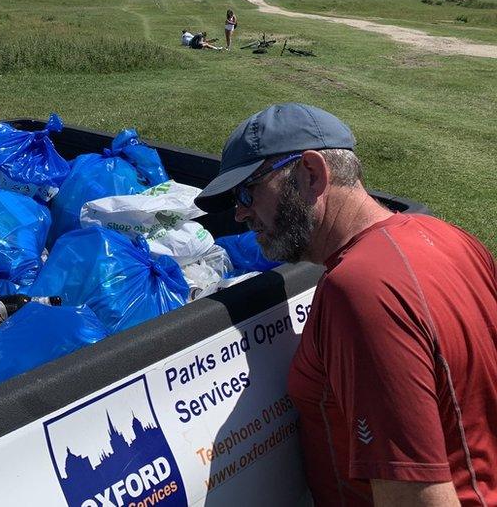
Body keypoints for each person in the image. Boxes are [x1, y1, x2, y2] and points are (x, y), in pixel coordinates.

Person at [193, 103, 497, 507]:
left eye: (249, 191)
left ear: (311, 174)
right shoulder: (447, 235)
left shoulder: (359, 290)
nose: (241, 212)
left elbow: (415, 498)